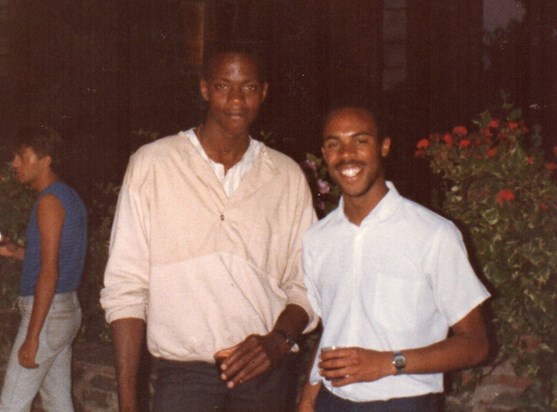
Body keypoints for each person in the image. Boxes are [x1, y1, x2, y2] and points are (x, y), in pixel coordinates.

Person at [100, 42, 318, 412]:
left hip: (264, 374)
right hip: (183, 376)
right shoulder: (154, 164)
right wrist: (128, 400)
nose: (236, 99)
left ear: (264, 92)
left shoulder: (285, 175)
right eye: (222, 86)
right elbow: (126, 286)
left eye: (248, 87)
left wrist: (278, 341)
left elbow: (308, 282)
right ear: (204, 89)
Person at [298, 107, 491, 411]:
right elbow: (332, 326)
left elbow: (476, 344)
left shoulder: (432, 234)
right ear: (324, 153)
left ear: (383, 146)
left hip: (403, 403)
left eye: (360, 141)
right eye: (334, 144)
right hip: (331, 401)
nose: (346, 155)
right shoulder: (317, 239)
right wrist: (310, 396)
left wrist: (388, 363)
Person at [0, 126, 88, 412]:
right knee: (58, 402)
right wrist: (16, 251)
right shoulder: (67, 196)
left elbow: (49, 272)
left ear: (45, 160)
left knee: (12, 404)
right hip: (64, 309)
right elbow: (57, 260)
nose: (14, 163)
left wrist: (32, 337)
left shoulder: (49, 202)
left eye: (22, 156)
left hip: (48, 313)